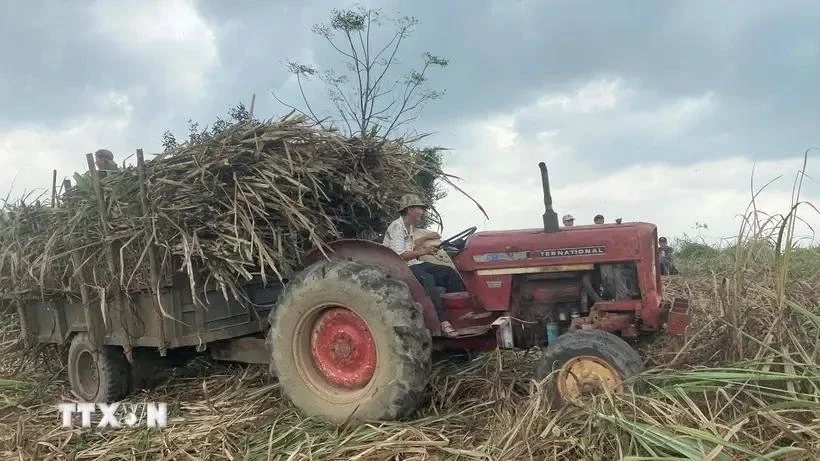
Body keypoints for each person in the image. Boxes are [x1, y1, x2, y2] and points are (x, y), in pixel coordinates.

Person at [383, 194, 463, 338]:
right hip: (400, 267)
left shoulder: (409, 227)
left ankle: (461, 315)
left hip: (413, 263)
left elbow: (411, 247)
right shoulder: (397, 227)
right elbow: (399, 255)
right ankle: (443, 322)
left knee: (447, 272)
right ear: (409, 210)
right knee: (427, 279)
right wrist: (425, 251)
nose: (422, 212)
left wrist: (427, 240)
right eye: (420, 208)